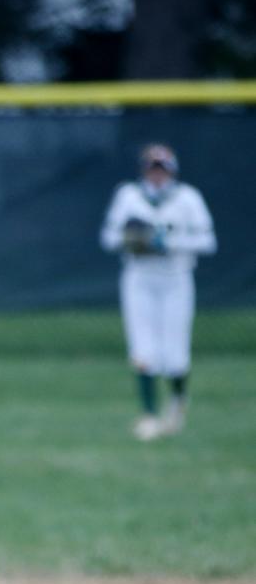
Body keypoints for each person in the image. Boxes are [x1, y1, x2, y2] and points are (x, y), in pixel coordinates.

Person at [99, 142, 216, 441]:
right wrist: (134, 240)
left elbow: (207, 241)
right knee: (143, 348)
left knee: (175, 353)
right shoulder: (129, 196)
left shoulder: (187, 198)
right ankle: (149, 415)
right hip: (140, 277)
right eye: (152, 169)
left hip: (175, 277)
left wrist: (169, 244)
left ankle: (176, 404)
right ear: (144, 170)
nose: (157, 175)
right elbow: (109, 237)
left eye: (162, 170)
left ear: (172, 171)